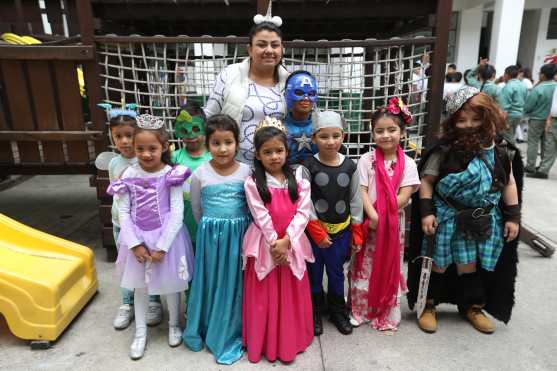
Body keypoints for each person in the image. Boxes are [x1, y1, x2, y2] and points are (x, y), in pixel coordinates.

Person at [407, 87, 521, 335]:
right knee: (438, 263)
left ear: (488, 117)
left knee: (469, 264)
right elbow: (426, 181)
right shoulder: (444, 150)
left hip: (481, 219)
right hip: (447, 217)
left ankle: (471, 306)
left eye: (476, 119)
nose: (469, 125)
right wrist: (427, 213)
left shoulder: (499, 150)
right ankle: (428, 304)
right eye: (462, 120)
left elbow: (508, 182)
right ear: (452, 122)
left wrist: (513, 217)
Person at [107, 114, 195, 360]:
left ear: (165, 147)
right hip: (138, 237)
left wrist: (164, 246)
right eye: (140, 149)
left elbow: (177, 211)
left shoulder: (171, 174)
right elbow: (123, 210)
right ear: (133, 148)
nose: (146, 154)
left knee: (171, 286)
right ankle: (141, 331)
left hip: (168, 238)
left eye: (152, 148)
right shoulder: (128, 174)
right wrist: (134, 244)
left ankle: (174, 324)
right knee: (140, 287)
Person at [242, 118, 314, 363]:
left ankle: (290, 338)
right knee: (266, 292)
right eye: (267, 152)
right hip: (266, 244)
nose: (274, 156)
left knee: (291, 290)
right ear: (259, 155)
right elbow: (260, 215)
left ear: (287, 151)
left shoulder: (299, 178)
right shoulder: (253, 182)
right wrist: (276, 243)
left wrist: (288, 241)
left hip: (291, 242)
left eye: (279, 150)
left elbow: (303, 212)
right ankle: (266, 340)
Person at [182, 114, 251, 365]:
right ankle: (208, 322)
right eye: (216, 143)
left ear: (237, 143)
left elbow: (252, 207)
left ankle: (232, 326)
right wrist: (210, 231)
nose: (222, 149)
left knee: (235, 282)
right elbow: (197, 209)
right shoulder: (200, 173)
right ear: (207, 144)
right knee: (212, 281)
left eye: (228, 142)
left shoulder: (246, 172)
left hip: (239, 237)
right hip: (211, 238)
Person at [349, 97, 420, 331]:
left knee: (389, 264)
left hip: (392, 224)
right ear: (372, 133)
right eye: (379, 131)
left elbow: (405, 195)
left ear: (402, 132)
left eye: (392, 129)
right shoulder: (365, 160)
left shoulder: (408, 163)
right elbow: (362, 190)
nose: (386, 135)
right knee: (364, 264)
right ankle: (361, 310)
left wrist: (383, 216)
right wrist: (373, 216)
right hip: (369, 220)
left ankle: (385, 311)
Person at [203, 5, 289, 164]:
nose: (269, 50)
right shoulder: (229, 75)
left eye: (275, 45)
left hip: (273, 171)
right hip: (232, 168)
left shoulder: (289, 82)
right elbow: (209, 117)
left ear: (282, 49)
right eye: (262, 45)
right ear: (249, 49)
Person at [304, 110, 364, 336]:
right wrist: (315, 229)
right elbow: (305, 200)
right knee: (315, 273)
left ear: (343, 137)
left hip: (341, 233)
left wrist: (357, 229)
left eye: (335, 136)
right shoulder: (307, 166)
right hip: (315, 235)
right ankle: (315, 312)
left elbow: (356, 198)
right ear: (313, 138)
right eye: (324, 136)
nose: (330, 142)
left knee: (337, 273)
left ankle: (338, 311)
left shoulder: (350, 166)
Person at [104, 107, 164, 331]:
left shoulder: (146, 163)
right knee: (127, 265)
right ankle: (127, 304)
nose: (125, 141)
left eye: (129, 135)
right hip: (121, 224)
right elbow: (118, 197)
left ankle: (153, 301)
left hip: (146, 227)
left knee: (150, 265)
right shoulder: (114, 164)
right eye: (118, 136)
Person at [171, 101, 212, 243]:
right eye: (184, 130)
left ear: (204, 128)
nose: (190, 134)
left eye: (196, 128)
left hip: (208, 221)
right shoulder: (174, 157)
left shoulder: (213, 157)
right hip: (183, 223)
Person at [524, 64, 557, 177]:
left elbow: (529, 105)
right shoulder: (555, 86)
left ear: (543, 74)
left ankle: (530, 166)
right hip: (551, 119)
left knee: (533, 142)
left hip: (537, 118)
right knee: (547, 144)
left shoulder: (539, 88)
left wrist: (526, 113)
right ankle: (543, 166)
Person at [284, 70, 318, 164]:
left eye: (311, 94)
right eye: (299, 93)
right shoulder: (279, 127)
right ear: (287, 94)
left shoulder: (322, 126)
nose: (306, 98)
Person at [498, 65, 528, 143]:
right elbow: (526, 100)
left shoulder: (508, 87)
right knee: (511, 135)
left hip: (509, 116)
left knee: (507, 137)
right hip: (519, 115)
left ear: (507, 75)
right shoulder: (523, 85)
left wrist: (502, 121)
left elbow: (504, 107)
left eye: (504, 74)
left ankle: (514, 153)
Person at [535, 81, 557, 178]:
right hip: (554, 118)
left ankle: (543, 170)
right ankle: (543, 171)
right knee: (550, 145)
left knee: (550, 144)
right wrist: (549, 118)